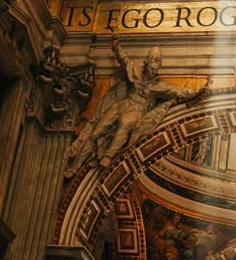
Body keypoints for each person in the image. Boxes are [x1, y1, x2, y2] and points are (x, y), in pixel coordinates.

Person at [65, 33, 209, 174]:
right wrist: (116, 46)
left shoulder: (160, 87)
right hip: (123, 104)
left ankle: (108, 155)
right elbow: (124, 59)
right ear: (146, 64)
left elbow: (181, 92)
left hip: (137, 111)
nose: (153, 71)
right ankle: (75, 167)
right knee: (96, 133)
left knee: (124, 124)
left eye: (155, 68)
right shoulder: (135, 71)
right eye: (151, 67)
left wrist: (199, 90)